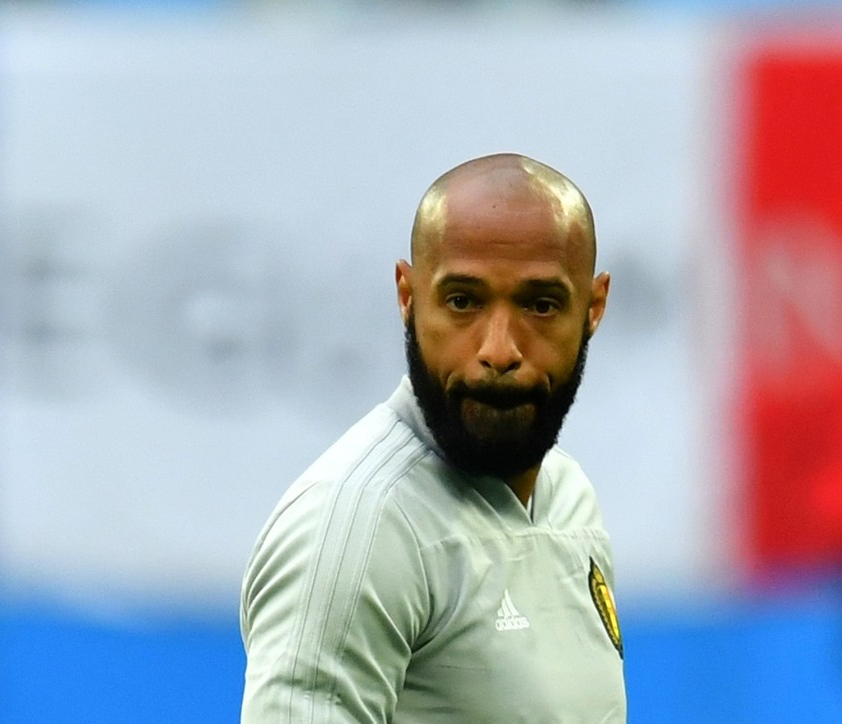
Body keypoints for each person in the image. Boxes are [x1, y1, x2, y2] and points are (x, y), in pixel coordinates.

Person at [239, 153, 625, 722]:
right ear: (407, 295)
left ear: (593, 307)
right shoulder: (356, 526)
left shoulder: (569, 494)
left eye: (540, 305)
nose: (498, 350)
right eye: (463, 301)